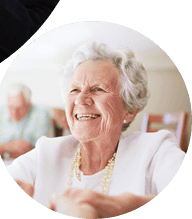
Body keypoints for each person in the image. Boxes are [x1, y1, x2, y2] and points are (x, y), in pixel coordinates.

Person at [9, 42, 186, 217]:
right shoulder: (46, 152)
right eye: (75, 90)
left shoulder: (155, 150)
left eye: (97, 89)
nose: (80, 99)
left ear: (130, 109)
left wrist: (124, 206)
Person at [0, 83, 52, 159]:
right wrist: (6, 147)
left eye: (19, 108)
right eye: (11, 107)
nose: (14, 113)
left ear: (28, 104)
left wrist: (5, 148)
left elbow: (43, 149)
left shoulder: (41, 114)